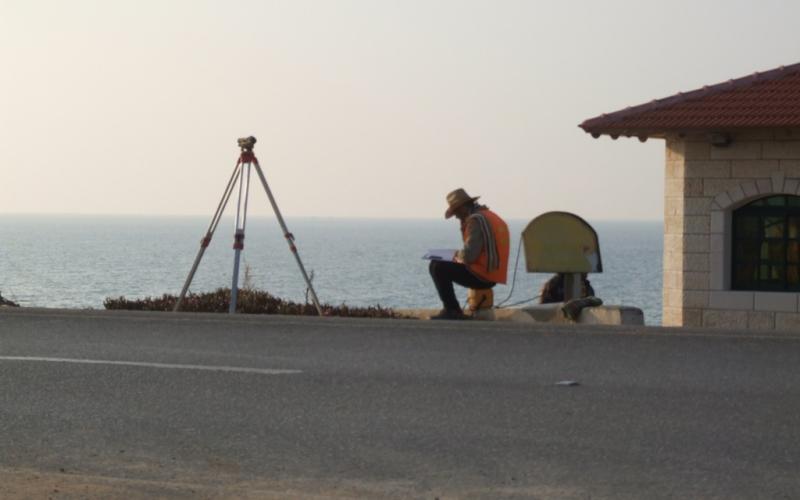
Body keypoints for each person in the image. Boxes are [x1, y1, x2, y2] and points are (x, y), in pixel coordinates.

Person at [429, 188, 510, 320]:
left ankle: (452, 310)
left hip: (482, 275)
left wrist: (453, 255)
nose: (456, 216)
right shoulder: (490, 216)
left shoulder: (475, 221)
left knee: (437, 265)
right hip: (494, 274)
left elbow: (469, 256)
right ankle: (452, 309)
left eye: (456, 212)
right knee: (441, 264)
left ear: (463, 208)